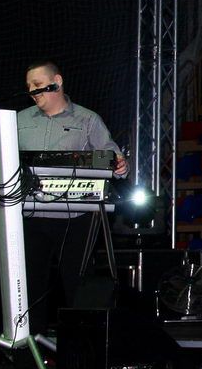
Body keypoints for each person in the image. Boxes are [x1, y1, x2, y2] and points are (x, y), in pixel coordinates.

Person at [18, 60, 128, 338]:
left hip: (75, 218)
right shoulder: (18, 121)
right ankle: (28, 351)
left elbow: (111, 155)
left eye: (37, 84)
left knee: (77, 283)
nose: (32, 90)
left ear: (56, 81)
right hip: (28, 216)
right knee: (28, 286)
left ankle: (79, 350)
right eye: (29, 86)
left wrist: (119, 164)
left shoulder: (87, 119)